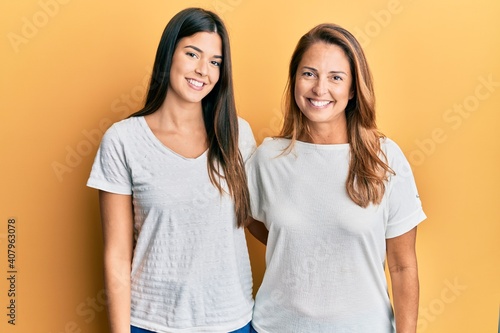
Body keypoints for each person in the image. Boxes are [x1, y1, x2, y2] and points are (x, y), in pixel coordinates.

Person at [246, 23, 426, 333]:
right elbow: (252, 220)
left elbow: (402, 264)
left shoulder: (384, 158)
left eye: (336, 77)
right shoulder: (268, 158)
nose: (320, 89)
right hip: (276, 326)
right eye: (309, 74)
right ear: (294, 81)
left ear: (353, 88)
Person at [87, 8, 256, 333]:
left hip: (231, 321)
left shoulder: (237, 134)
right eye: (192, 54)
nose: (202, 70)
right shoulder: (123, 140)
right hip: (150, 322)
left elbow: (255, 220)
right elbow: (117, 255)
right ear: (169, 54)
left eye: (215, 62)